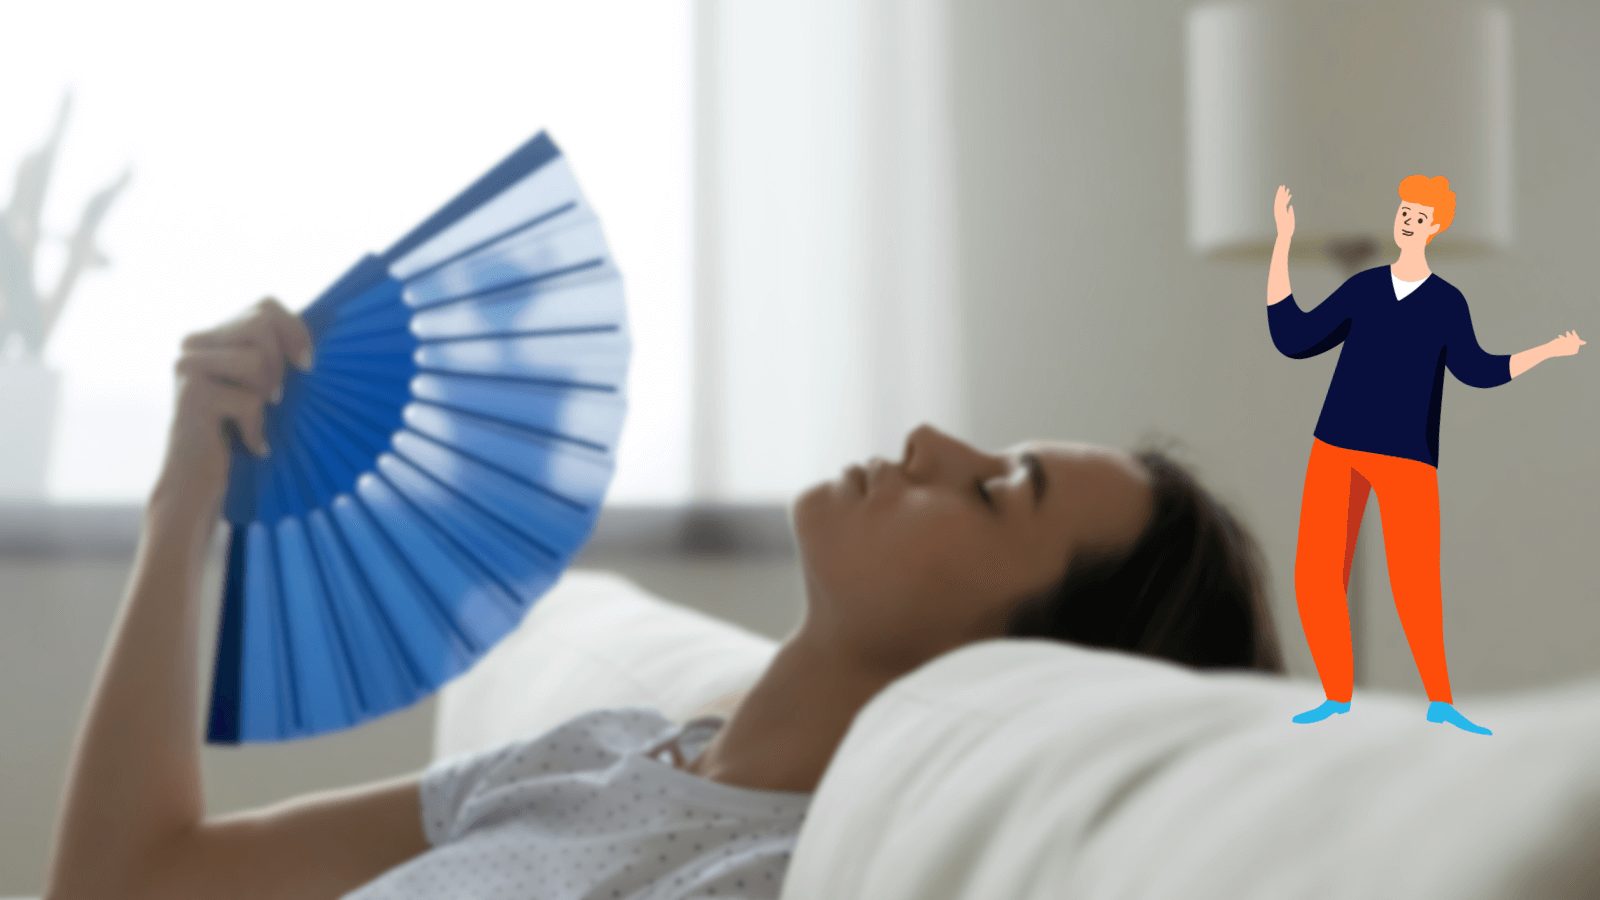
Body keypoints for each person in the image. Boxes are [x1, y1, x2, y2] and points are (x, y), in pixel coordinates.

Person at [43, 298, 1282, 900]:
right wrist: (186, 498)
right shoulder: (606, 752)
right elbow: (129, 879)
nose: (925, 441)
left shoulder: (764, 876)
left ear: (1028, 659)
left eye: (997, 491)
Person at [1267, 177, 1584, 735]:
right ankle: (1336, 698)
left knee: (1414, 580)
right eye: (1404, 212)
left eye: (1420, 216)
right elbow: (1294, 337)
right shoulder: (1364, 288)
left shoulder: (1445, 303)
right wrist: (1282, 243)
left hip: (1406, 457)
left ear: (1435, 227)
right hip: (1336, 445)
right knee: (1317, 575)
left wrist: (1549, 350)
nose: (1408, 221)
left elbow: (1478, 370)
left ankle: (1440, 699)